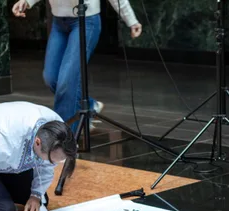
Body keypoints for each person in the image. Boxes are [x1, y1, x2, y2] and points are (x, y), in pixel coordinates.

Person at [11, 0, 143, 130]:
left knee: (67, 81)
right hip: (59, 22)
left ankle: (62, 137)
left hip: (86, 21)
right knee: (51, 77)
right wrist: (26, 1)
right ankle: (89, 105)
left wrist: (131, 20)